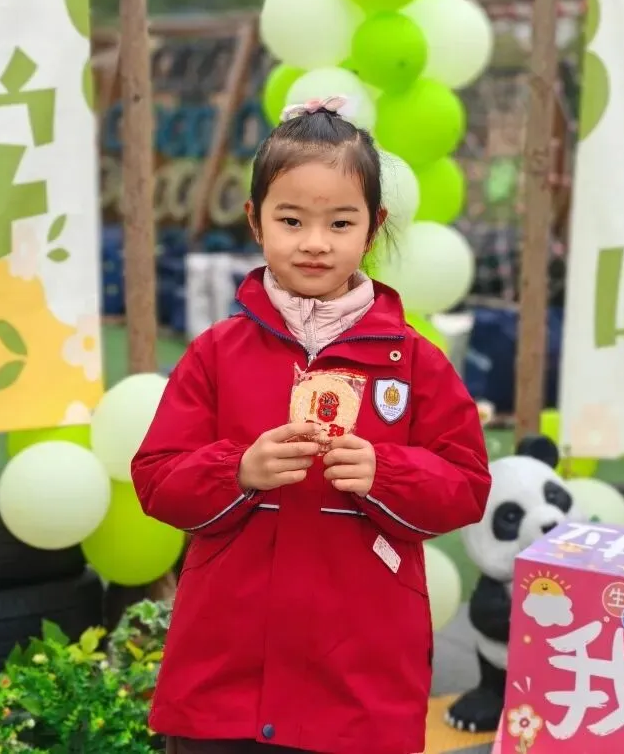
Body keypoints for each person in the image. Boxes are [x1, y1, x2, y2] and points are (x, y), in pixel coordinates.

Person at [131, 95, 491, 754]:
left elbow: (467, 484)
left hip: (359, 683)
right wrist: (239, 469)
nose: (315, 242)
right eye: (291, 220)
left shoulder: (414, 361)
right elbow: (156, 478)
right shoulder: (216, 352)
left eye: (340, 222)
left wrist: (387, 472)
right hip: (224, 680)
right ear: (255, 220)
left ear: (373, 227)